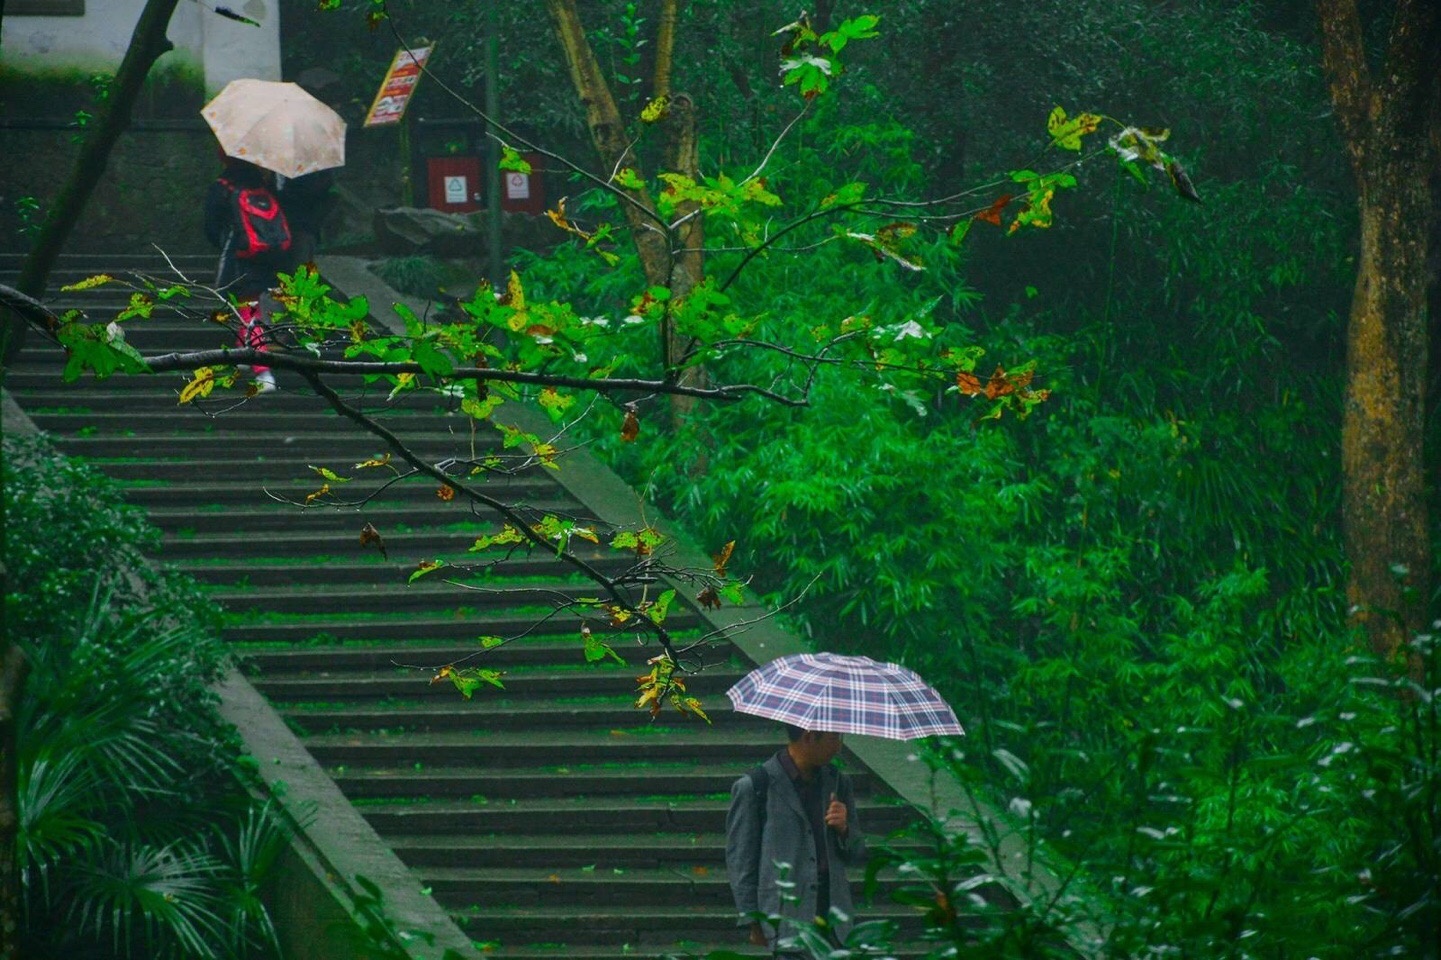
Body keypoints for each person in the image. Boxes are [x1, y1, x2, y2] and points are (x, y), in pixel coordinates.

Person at [725, 725, 867, 949]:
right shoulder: (756, 786)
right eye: (834, 738)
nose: (839, 746)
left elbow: (858, 853)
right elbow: (741, 862)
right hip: (786, 918)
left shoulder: (838, 783)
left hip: (835, 921)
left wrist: (845, 829)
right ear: (810, 737)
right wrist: (753, 920)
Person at [203, 155, 288, 393]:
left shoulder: (223, 186)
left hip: (238, 257)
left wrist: (227, 240)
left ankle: (263, 370)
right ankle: (243, 355)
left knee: (248, 310)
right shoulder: (262, 184)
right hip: (265, 258)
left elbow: (211, 226)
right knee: (250, 307)